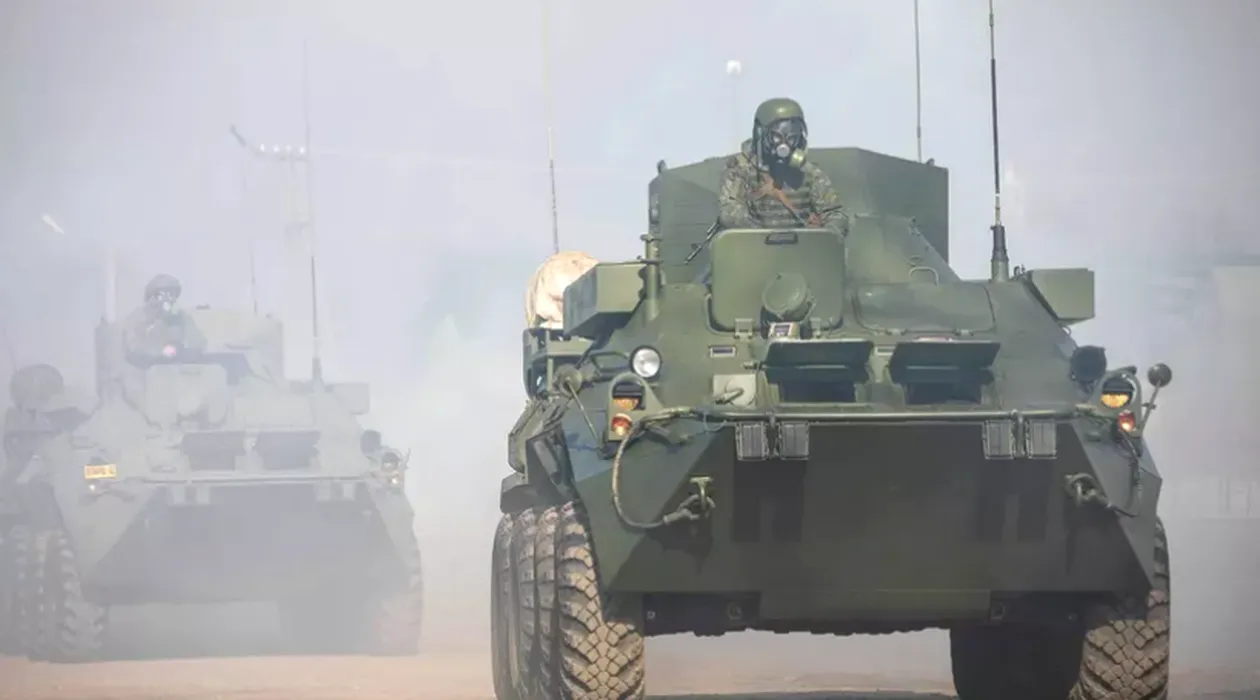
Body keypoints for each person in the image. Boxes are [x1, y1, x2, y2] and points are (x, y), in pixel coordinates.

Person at [718, 97, 848, 236]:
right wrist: (764, 236)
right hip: (754, 246)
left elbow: (835, 213)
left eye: (792, 138)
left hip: (801, 246)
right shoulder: (740, 169)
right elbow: (730, 213)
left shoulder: (808, 172)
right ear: (761, 134)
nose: (784, 145)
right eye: (777, 137)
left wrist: (824, 234)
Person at [121, 274, 206, 364]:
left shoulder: (181, 316)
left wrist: (181, 351)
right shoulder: (138, 317)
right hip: (143, 369)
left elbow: (198, 342)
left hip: (175, 367)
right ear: (150, 296)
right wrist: (161, 351)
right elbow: (133, 348)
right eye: (160, 295)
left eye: (171, 294)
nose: (167, 299)